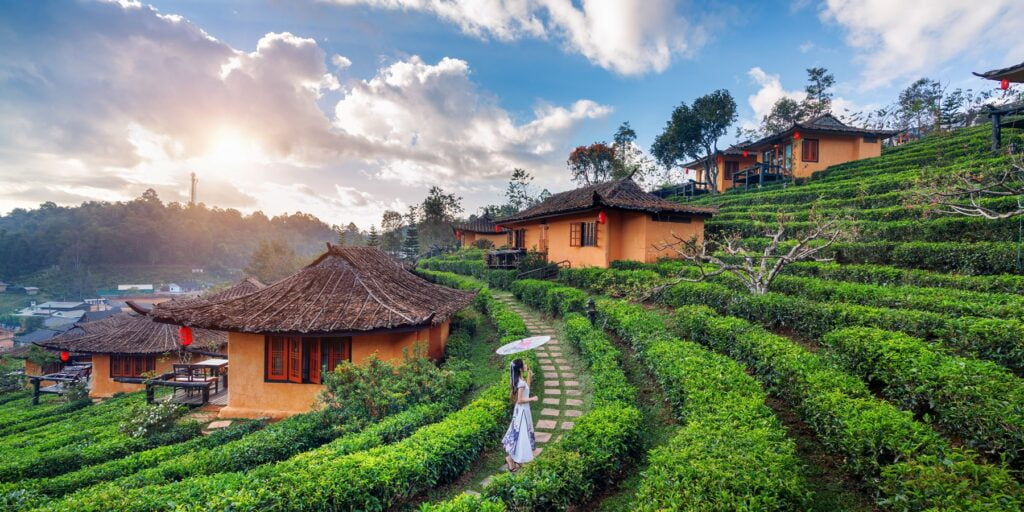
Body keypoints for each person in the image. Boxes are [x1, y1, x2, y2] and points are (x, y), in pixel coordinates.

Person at [501, 358, 537, 472]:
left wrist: (529, 377)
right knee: (520, 436)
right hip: (522, 412)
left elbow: (526, 389)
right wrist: (533, 398)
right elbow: (520, 400)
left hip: (522, 411)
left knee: (521, 435)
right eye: (524, 364)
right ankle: (511, 459)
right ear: (521, 368)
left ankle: (515, 459)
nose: (526, 365)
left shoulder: (519, 380)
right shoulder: (520, 382)